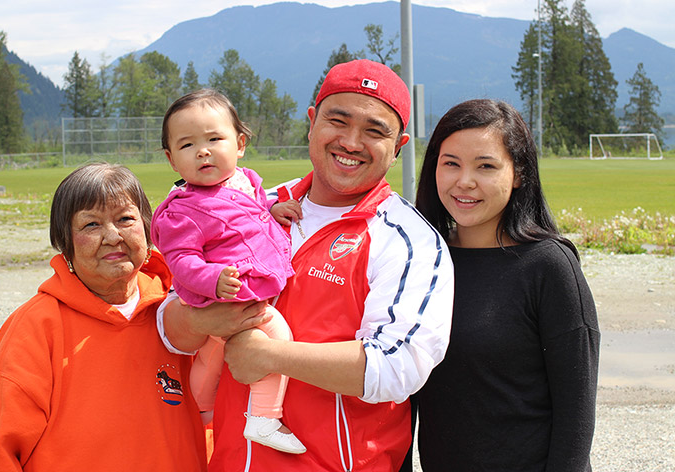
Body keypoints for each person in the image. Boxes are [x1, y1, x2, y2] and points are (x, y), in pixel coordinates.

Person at [159, 59, 455, 471]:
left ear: (400, 144)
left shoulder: (408, 239)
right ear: (313, 121)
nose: (351, 142)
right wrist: (200, 322)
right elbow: (168, 326)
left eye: (374, 130)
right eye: (338, 120)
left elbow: (397, 367)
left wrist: (272, 356)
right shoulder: (245, 204)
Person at [0, 163, 213, 471]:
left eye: (126, 219)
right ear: (65, 242)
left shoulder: (183, 312)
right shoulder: (37, 326)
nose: (113, 236)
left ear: (149, 230)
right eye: (91, 225)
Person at [412, 99, 600, 471]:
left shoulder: (548, 265)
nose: (464, 181)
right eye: (451, 163)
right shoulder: (421, 259)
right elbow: (402, 396)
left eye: (485, 166)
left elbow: (575, 415)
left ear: (519, 174)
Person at [150, 89, 306, 454]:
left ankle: (200, 410)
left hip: (244, 285)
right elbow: (182, 262)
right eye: (188, 145)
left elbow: (252, 209)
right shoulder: (182, 212)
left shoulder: (246, 181)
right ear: (172, 160)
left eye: (214, 139)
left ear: (239, 144)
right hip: (227, 294)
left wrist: (273, 209)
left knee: (212, 353)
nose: (203, 151)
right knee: (277, 336)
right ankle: (265, 417)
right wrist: (213, 280)